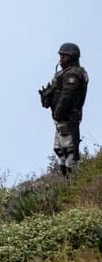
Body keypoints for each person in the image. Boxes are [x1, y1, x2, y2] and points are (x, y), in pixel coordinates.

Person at [40, 42, 89, 176]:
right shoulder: (65, 73)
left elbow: (67, 95)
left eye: (64, 56)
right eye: (61, 56)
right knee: (59, 150)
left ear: (72, 57)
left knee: (69, 152)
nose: (61, 59)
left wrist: (58, 112)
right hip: (61, 118)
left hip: (68, 118)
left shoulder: (73, 74)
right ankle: (67, 183)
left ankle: (73, 183)